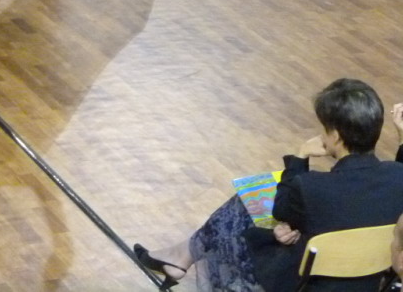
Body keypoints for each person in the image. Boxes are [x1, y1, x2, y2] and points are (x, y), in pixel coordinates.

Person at [133, 79, 403, 292]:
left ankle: (182, 255)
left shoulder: (311, 188)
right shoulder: (398, 176)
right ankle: (182, 254)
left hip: (302, 283)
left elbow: (281, 210)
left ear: (335, 135)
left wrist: (300, 157)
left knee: (245, 206)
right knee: (256, 201)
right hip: (368, 282)